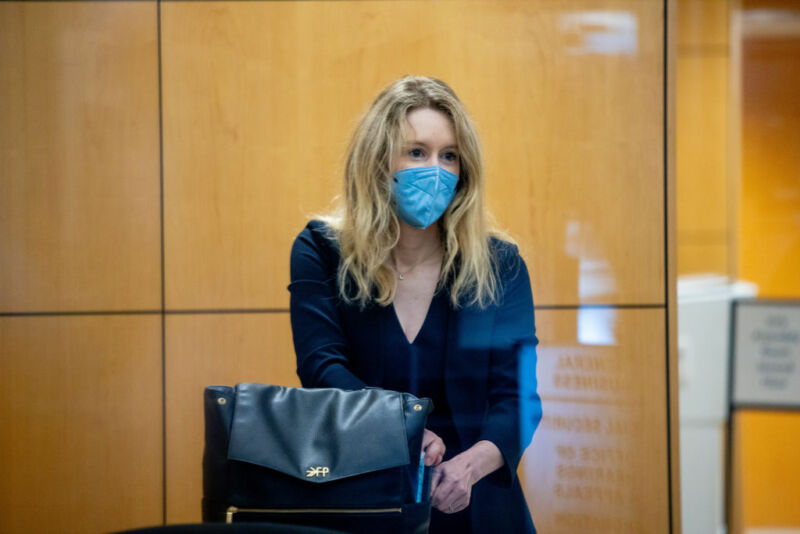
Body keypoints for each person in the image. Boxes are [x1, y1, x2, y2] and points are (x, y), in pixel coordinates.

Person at [289, 75, 541, 533]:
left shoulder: (500, 265)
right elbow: (321, 369)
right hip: (360, 497)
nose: (435, 170)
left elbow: (518, 398)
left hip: (475, 501)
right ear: (378, 159)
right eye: (417, 152)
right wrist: (401, 431)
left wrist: (470, 467)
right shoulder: (322, 251)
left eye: (450, 156)